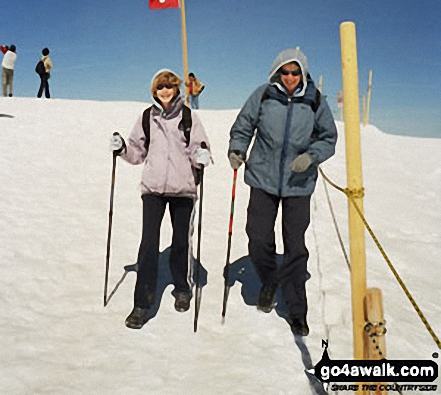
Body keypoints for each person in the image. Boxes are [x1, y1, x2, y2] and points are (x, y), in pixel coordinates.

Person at [228, 47, 337, 336]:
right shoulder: (263, 94)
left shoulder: (314, 101)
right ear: (277, 71)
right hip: (263, 177)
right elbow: (244, 125)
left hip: (298, 184)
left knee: (294, 246)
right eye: (285, 71)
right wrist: (237, 149)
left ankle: (296, 309)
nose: (290, 77)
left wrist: (312, 156)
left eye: (295, 72)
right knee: (258, 236)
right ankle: (269, 278)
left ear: (303, 73)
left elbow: (329, 137)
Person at [109, 69, 211, 330]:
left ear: (177, 89)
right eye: (160, 87)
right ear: (154, 91)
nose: (165, 90)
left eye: (170, 86)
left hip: (183, 189)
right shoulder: (147, 117)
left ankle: (182, 287)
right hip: (153, 188)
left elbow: (200, 147)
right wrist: (122, 149)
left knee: (180, 242)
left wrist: (202, 157)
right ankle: (141, 304)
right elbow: (137, 152)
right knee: (148, 244)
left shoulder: (189, 117)